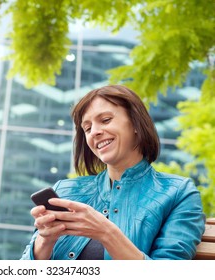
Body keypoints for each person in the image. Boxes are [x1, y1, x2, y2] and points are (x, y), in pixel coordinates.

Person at [20, 84, 206, 260]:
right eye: (87, 128)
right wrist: (45, 240)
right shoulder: (65, 190)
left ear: (135, 123)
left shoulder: (178, 193)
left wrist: (106, 232)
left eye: (105, 120)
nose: (94, 132)